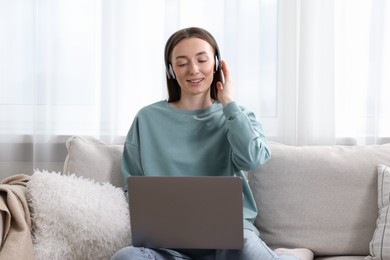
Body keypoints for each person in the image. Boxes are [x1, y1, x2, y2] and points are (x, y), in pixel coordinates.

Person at [112, 27, 313, 260]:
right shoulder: (147, 119)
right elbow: (132, 187)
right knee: (126, 257)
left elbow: (254, 159)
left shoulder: (237, 115)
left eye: (202, 59)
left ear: (217, 64)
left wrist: (228, 103)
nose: (194, 70)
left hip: (231, 241)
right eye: (182, 63)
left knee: (247, 251)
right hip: (167, 244)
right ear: (171, 70)